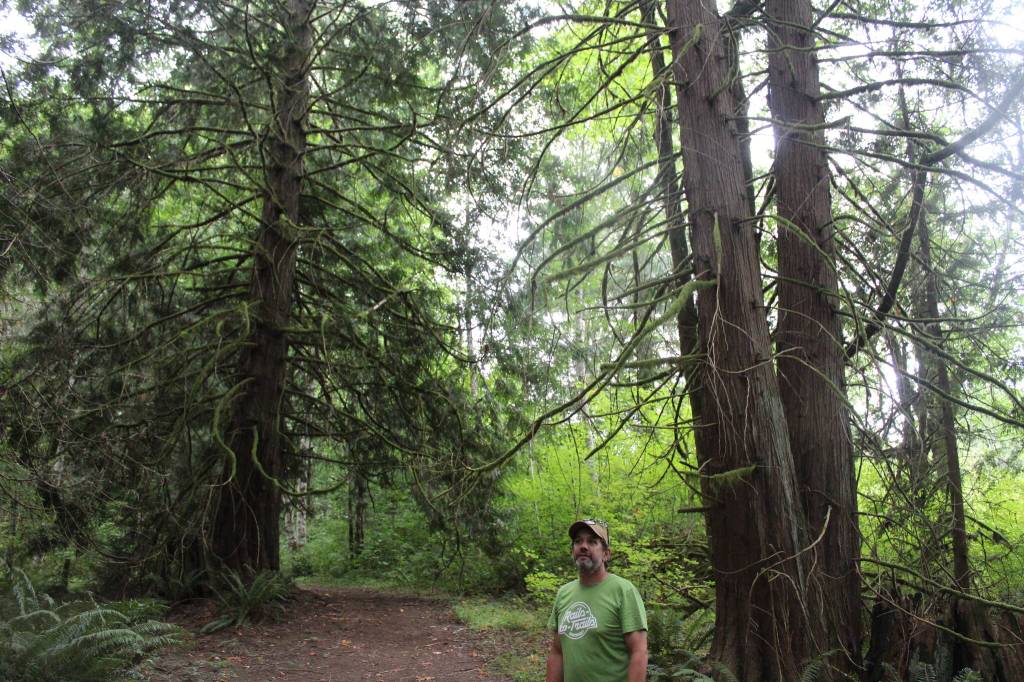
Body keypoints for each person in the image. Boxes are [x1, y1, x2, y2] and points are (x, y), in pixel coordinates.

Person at [545, 518, 648, 682]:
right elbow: (558, 652)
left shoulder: (623, 590)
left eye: (592, 542)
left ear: (606, 554)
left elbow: (639, 651)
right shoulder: (563, 594)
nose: (583, 546)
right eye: (578, 541)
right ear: (573, 550)